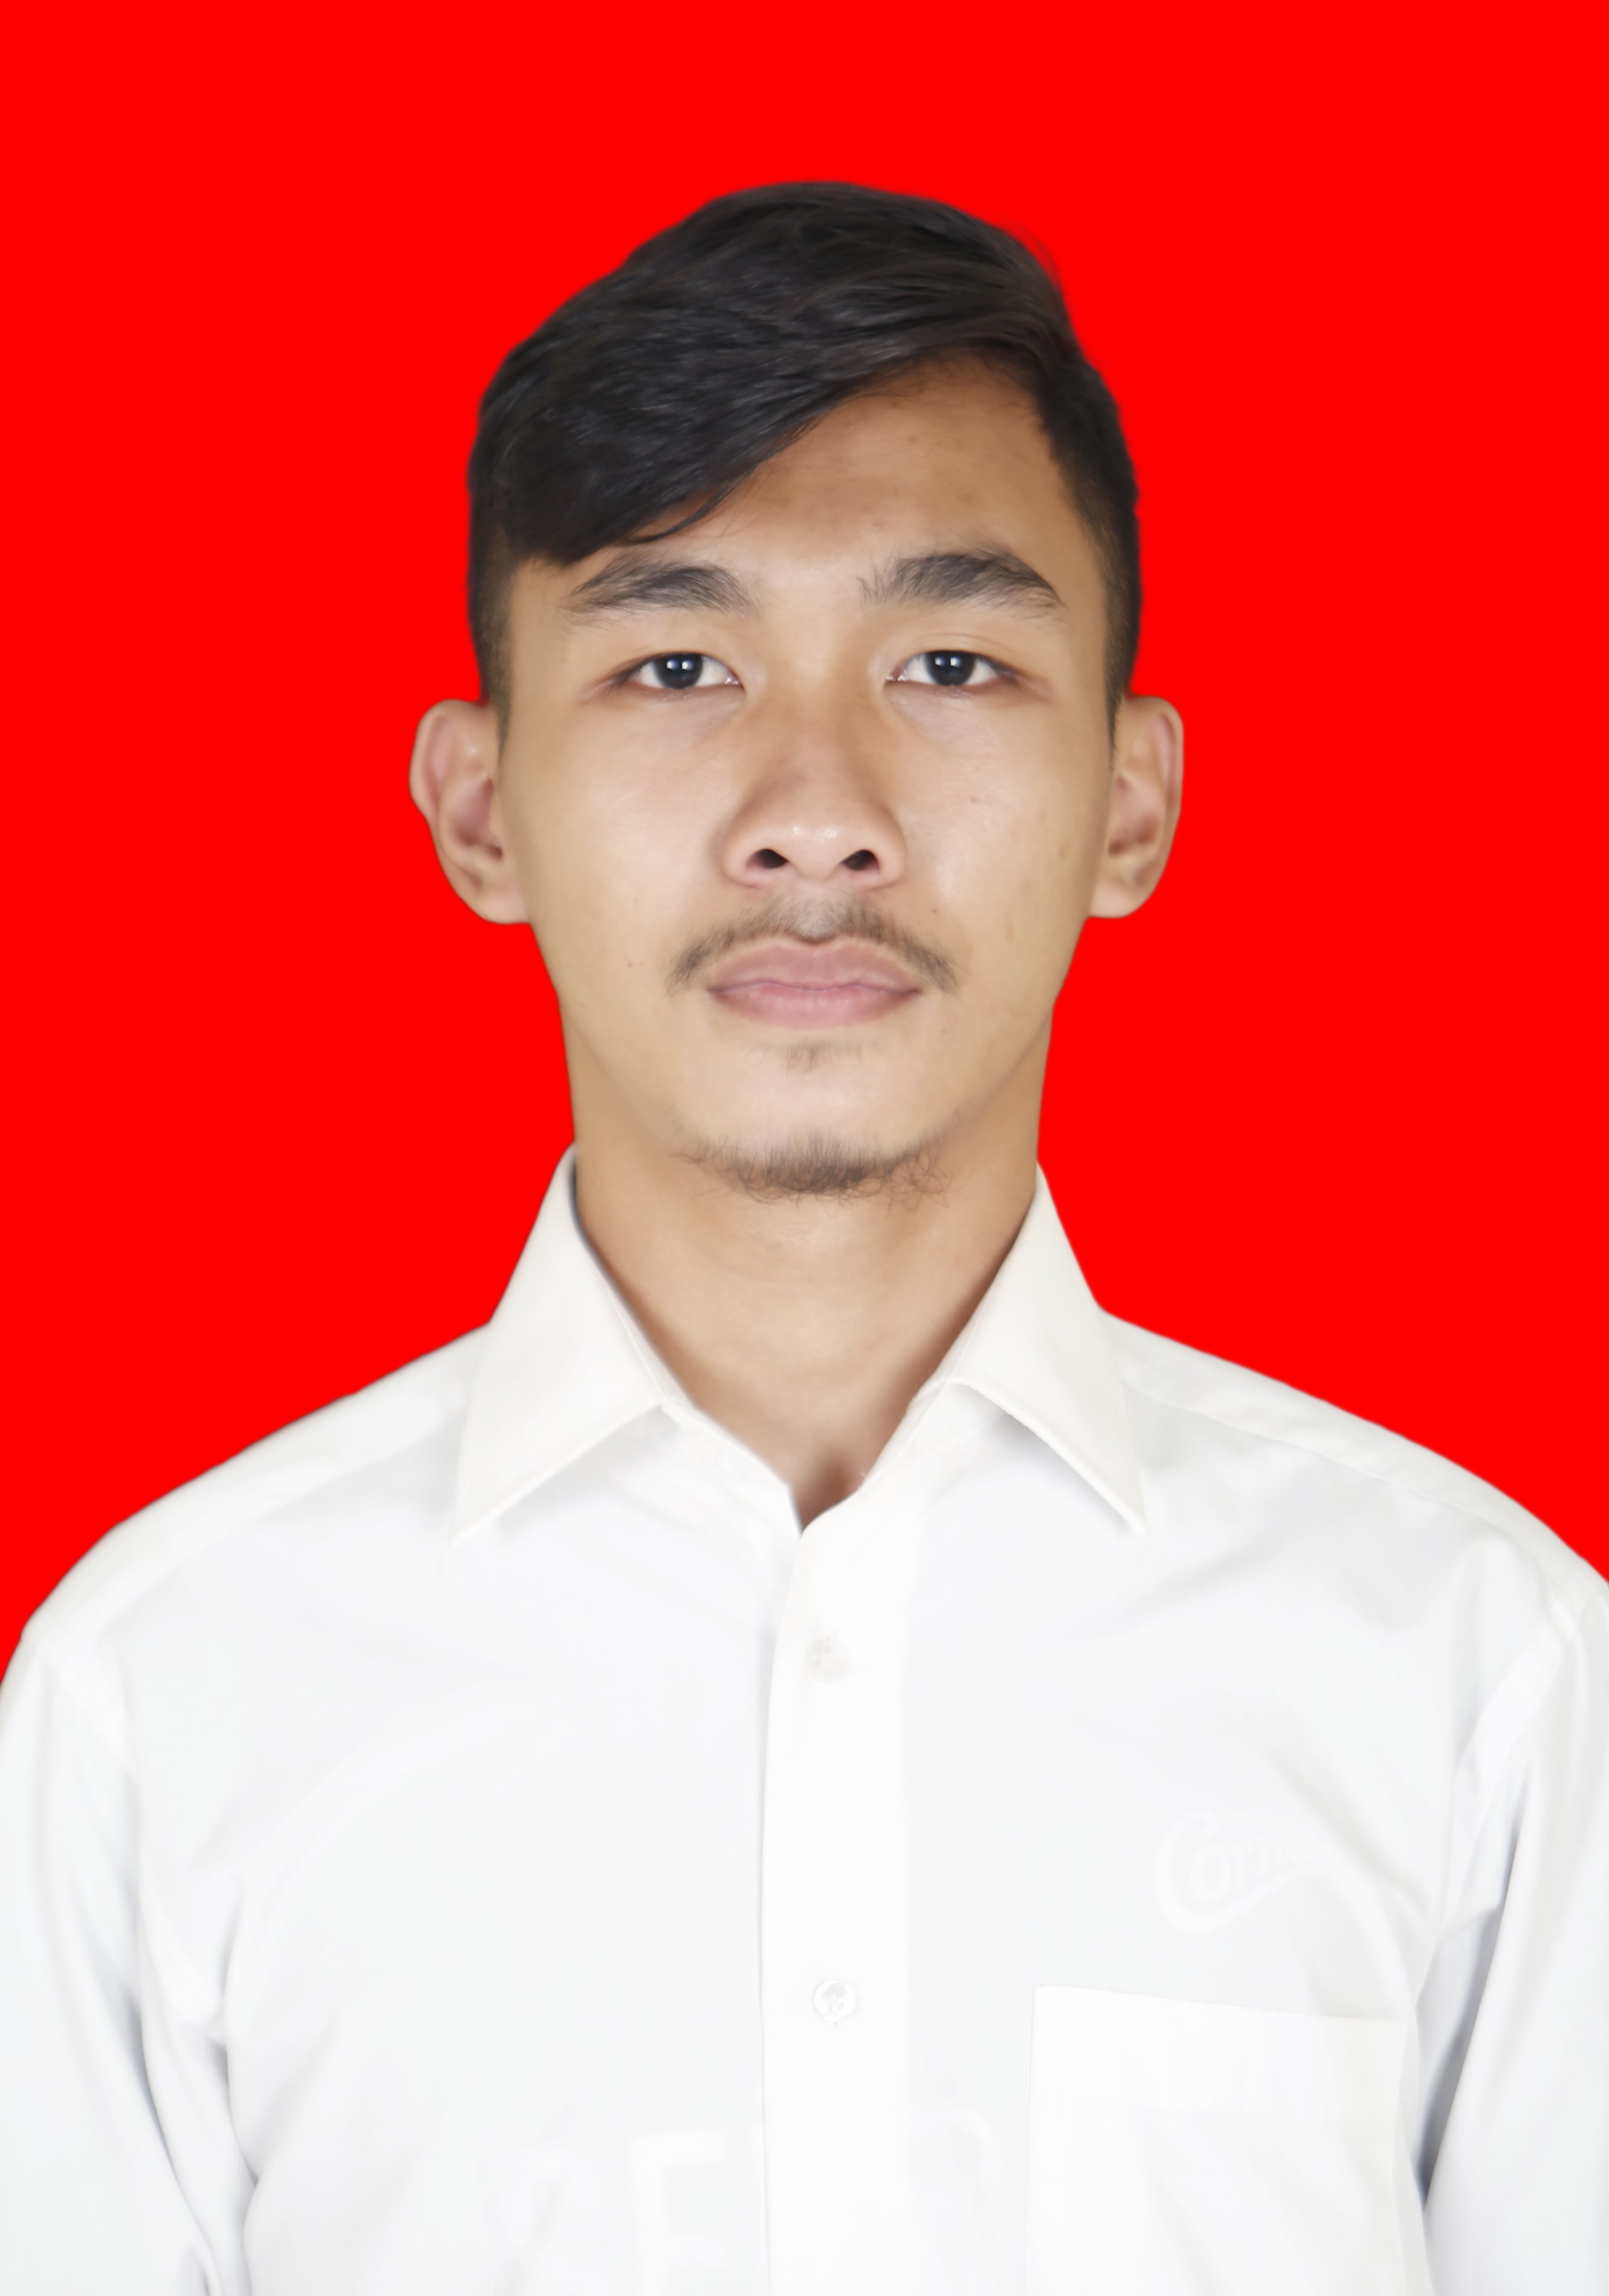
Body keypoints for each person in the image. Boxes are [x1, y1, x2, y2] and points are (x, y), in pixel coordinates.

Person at [1, 183, 1603, 2296]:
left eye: (951, 662)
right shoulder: (161, 1701)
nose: (818, 810)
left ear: (1132, 801)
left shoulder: (1479, 1672)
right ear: (480, 806)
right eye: (677, 663)